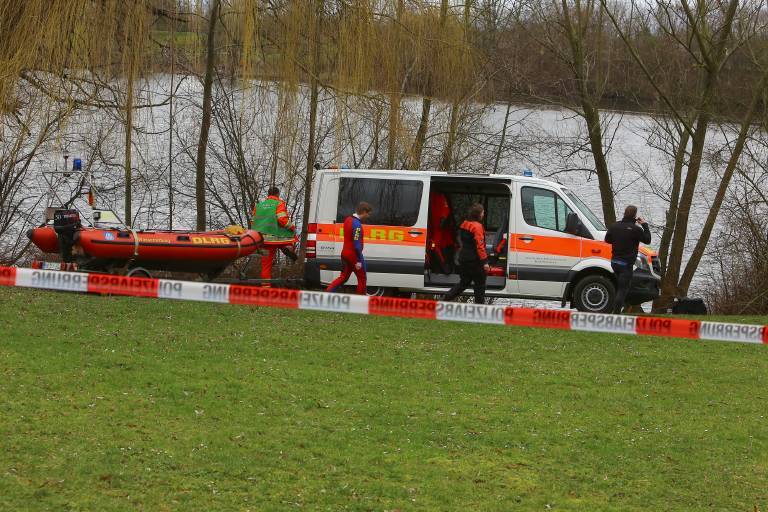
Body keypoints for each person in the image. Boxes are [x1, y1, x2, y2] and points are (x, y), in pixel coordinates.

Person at [605, 205, 652, 314]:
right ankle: (616, 314)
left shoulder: (614, 226)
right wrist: (644, 225)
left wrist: (618, 242)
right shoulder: (636, 229)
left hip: (614, 262)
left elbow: (607, 240)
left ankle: (617, 309)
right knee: (623, 289)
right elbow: (647, 240)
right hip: (625, 264)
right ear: (635, 216)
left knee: (620, 287)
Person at [444, 203, 489, 304]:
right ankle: (479, 308)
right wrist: (485, 262)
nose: (483, 215)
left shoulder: (464, 224)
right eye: (482, 213)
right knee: (480, 284)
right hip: (475, 261)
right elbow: (480, 246)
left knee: (463, 283)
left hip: (463, 259)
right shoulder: (477, 227)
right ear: (478, 214)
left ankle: (446, 299)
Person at [251, 186, 297, 286]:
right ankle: (286, 247)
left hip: (263, 240)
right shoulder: (279, 203)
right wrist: (292, 227)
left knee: (266, 265)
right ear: (277, 194)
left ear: (268, 194)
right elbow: (282, 220)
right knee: (288, 237)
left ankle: (266, 288)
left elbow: (253, 222)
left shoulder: (258, 206)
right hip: (276, 238)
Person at [327, 202, 373, 295]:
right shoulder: (357, 225)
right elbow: (357, 245)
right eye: (368, 214)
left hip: (344, 254)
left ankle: (327, 294)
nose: (368, 216)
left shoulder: (348, 219)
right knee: (362, 278)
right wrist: (359, 260)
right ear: (363, 212)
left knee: (343, 277)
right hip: (354, 256)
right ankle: (360, 302)